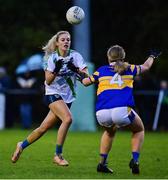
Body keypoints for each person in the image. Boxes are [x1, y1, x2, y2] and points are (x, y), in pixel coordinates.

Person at [11, 31, 89, 166]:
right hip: (53, 93)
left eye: (68, 40)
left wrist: (76, 70)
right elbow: (48, 81)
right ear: (57, 43)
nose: (66, 42)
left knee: (43, 128)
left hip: (68, 97)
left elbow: (87, 79)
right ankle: (58, 155)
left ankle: (21, 145)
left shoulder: (76, 56)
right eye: (63, 39)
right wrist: (56, 70)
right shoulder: (51, 58)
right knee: (68, 119)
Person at [80, 45, 161, 174]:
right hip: (122, 111)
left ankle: (102, 164)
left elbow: (85, 82)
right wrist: (152, 56)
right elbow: (146, 66)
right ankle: (135, 160)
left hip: (102, 113)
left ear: (108, 57)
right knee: (139, 130)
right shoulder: (130, 68)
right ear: (123, 57)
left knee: (109, 133)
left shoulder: (101, 70)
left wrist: (78, 72)